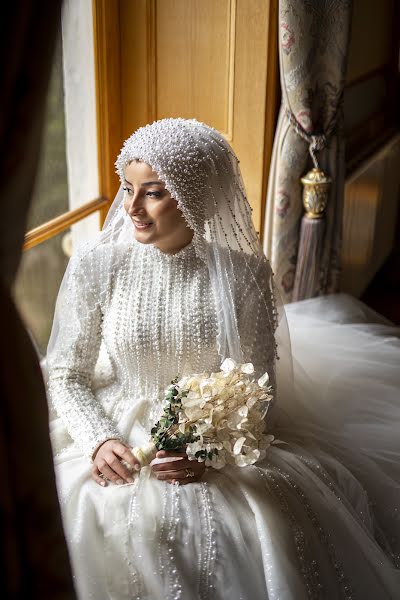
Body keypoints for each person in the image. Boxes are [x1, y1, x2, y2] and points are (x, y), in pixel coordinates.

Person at [47, 118, 400, 599]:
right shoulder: (96, 265)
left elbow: (259, 390)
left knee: (251, 528)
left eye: (152, 192)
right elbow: (66, 373)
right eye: (127, 188)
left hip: (207, 438)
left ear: (195, 194)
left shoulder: (244, 276)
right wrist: (98, 438)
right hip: (114, 419)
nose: (131, 207)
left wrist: (206, 451)